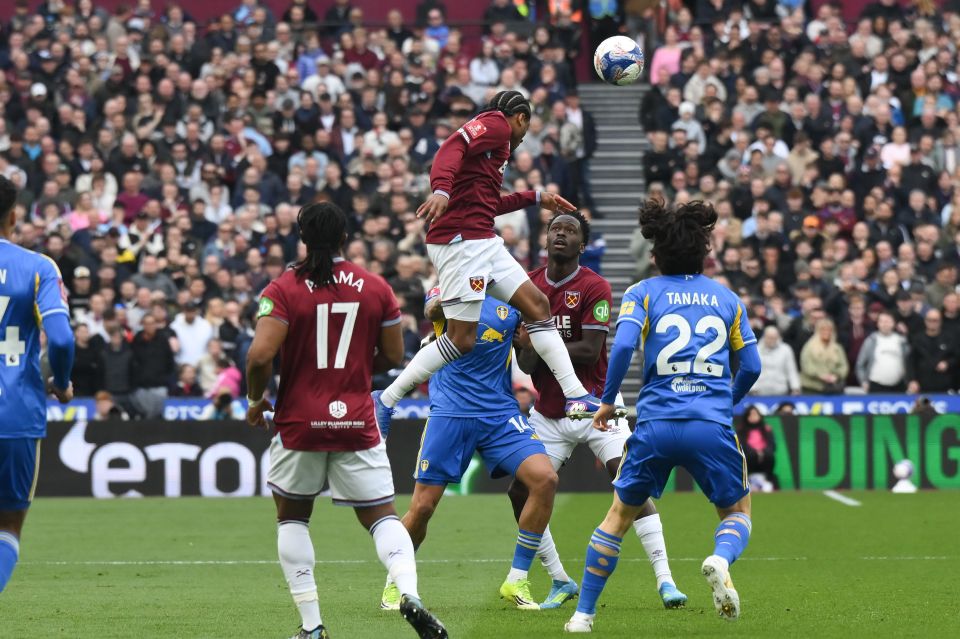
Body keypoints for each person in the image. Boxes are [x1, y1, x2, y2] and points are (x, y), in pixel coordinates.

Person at [245, 202, 446, 639]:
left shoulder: (283, 289)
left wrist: (255, 400)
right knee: (382, 518)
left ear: (302, 238)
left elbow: (259, 356)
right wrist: (353, 371)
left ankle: (313, 626)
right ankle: (409, 593)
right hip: (356, 420)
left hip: (299, 423)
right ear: (345, 238)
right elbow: (393, 355)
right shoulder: (375, 288)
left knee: (293, 520)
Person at [564, 199, 761, 632]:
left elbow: (621, 347)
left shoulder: (643, 293)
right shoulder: (727, 299)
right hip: (709, 424)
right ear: (703, 251)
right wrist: (724, 403)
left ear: (656, 254)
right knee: (737, 511)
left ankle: (583, 615)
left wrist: (607, 400)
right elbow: (752, 367)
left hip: (655, 425)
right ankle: (719, 559)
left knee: (618, 516)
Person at [373, 91, 620, 436]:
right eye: (526, 128)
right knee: (461, 340)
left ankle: (576, 395)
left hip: (482, 239)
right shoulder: (497, 125)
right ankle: (386, 398)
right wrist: (441, 189)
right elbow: (450, 147)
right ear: (520, 118)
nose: (523, 138)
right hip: (461, 243)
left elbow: (489, 205)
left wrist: (536, 198)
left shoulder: (492, 151)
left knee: (538, 306)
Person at [510, 211, 686, 610]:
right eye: (555, 229)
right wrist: (528, 348)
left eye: (570, 230)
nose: (561, 234)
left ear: (582, 245)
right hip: (549, 412)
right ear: (545, 239)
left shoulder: (595, 286)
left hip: (596, 406)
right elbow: (526, 363)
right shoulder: (528, 287)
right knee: (521, 490)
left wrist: (537, 341)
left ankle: (666, 580)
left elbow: (590, 350)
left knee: (629, 481)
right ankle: (559, 578)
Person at [380, 290, 559, 611]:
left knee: (545, 479)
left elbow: (527, 362)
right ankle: (396, 582)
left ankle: (517, 578)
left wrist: (529, 343)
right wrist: (459, 295)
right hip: (451, 413)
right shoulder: (451, 286)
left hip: (499, 413)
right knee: (423, 507)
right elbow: (431, 309)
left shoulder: (511, 298)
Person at [0, 175, 75, 593]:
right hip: (14, 414)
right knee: (7, 527)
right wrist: (61, 382)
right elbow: (61, 339)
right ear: (13, 217)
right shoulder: (38, 268)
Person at [855, 310, 911, 393]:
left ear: (893, 323)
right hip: (875, 386)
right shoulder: (871, 340)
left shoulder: (901, 341)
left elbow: (909, 362)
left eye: (887, 321)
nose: (885, 324)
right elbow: (860, 365)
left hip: (899, 387)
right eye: (882, 321)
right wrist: (863, 382)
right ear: (877, 324)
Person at [799, 319, 849, 394]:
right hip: (812, 388)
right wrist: (821, 376)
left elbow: (843, 366)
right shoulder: (809, 347)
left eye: (829, 330)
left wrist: (836, 376)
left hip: (833, 387)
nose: (826, 332)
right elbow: (807, 366)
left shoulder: (837, 348)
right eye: (823, 330)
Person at [736, 406, 777, 491]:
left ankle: (767, 481)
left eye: (755, 414)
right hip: (749, 457)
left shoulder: (766, 429)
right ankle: (749, 482)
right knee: (751, 456)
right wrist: (755, 453)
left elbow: (772, 445)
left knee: (769, 456)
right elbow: (741, 445)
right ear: (747, 417)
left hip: (765, 456)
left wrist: (763, 452)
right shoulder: (741, 430)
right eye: (751, 415)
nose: (753, 417)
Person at [752, 325, 800, 395]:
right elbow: (752, 371)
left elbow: (791, 370)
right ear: (764, 337)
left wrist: (795, 387)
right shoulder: (755, 350)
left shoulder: (786, 349)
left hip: (781, 390)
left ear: (778, 337)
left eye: (774, 338)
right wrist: (753, 388)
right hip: (759, 391)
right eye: (769, 337)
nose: (771, 340)